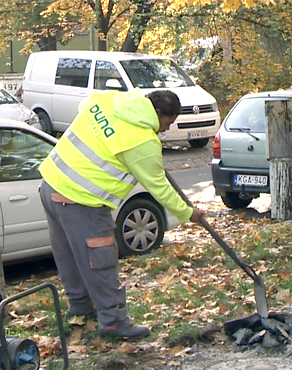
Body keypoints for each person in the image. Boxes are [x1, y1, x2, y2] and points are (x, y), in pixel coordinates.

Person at [38, 89, 204, 340]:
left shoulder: (111, 100)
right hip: (81, 199)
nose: (166, 130)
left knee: (69, 255)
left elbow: (84, 105)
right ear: (158, 113)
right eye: (168, 123)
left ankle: (81, 309)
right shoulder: (143, 141)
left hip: (51, 183)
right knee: (100, 260)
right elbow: (159, 188)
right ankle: (114, 322)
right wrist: (188, 213)